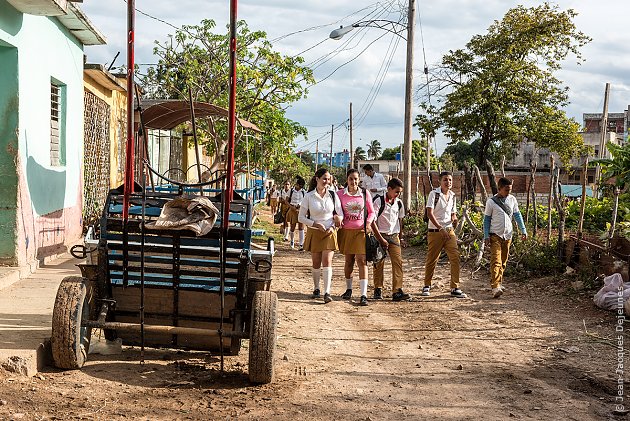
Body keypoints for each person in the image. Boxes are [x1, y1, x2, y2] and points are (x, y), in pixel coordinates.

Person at [299, 168, 344, 303]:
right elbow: (301, 217)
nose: (326, 181)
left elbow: (340, 213)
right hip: (315, 231)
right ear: (317, 179)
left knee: (327, 261)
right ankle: (316, 287)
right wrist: (314, 223)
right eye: (324, 178)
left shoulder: (333, 195)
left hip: (329, 231)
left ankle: (327, 292)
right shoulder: (309, 196)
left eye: (328, 179)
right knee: (316, 262)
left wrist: (334, 224)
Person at [422, 171, 466, 298]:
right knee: (432, 259)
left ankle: (455, 287)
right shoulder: (434, 194)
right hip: (435, 231)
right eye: (446, 180)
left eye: (450, 180)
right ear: (440, 182)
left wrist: (455, 218)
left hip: (449, 230)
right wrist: (440, 228)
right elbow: (430, 213)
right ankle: (426, 285)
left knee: (455, 257)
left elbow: (452, 212)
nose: (448, 182)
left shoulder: (453, 196)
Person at [483, 177, 528, 298]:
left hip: (508, 235)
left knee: (503, 261)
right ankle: (495, 286)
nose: (508, 192)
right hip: (495, 235)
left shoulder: (512, 199)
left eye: (510, 189)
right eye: (506, 189)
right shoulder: (491, 202)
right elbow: (486, 220)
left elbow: (517, 215)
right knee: (496, 261)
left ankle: (499, 282)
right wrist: (486, 235)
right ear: (499, 189)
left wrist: (523, 230)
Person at [336, 169, 375, 306]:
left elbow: (371, 212)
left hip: (361, 231)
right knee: (349, 261)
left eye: (356, 179)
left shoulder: (365, 193)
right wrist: (337, 218)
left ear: (359, 180)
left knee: (362, 260)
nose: (353, 182)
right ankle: (349, 289)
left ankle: (363, 294)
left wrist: (369, 223)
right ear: (347, 180)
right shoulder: (339, 194)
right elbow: (335, 210)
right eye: (351, 179)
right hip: (346, 231)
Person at [371, 177, 410, 301]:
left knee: (398, 262)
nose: (398, 194)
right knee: (378, 262)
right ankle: (378, 288)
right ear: (389, 189)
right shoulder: (378, 201)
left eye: (399, 192)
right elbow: (372, 221)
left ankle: (397, 290)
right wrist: (379, 238)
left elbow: (400, 220)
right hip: (379, 235)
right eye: (396, 191)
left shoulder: (398, 203)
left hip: (394, 236)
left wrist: (400, 237)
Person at [285, 177, 306, 250]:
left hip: (301, 210)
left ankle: (301, 244)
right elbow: (286, 201)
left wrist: (300, 206)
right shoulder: (291, 191)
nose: (297, 186)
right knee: (292, 226)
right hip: (292, 209)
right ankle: (292, 241)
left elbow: (305, 201)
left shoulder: (304, 192)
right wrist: (291, 207)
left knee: (301, 227)